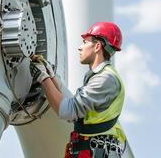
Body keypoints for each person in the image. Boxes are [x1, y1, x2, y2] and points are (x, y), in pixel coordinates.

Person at [29, 22, 126, 158]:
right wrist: (52, 77)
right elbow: (76, 110)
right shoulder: (98, 77)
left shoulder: (105, 79)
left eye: (85, 42)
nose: (80, 47)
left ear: (97, 46)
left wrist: (43, 78)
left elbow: (68, 111)